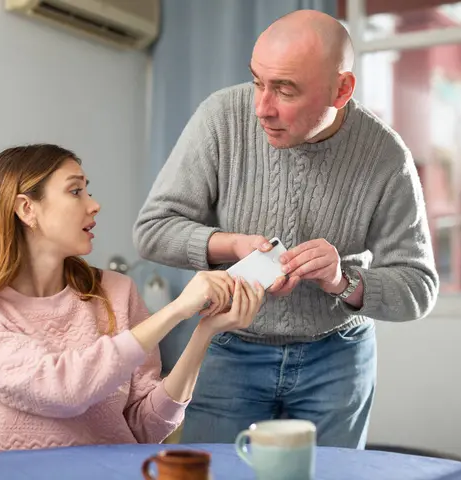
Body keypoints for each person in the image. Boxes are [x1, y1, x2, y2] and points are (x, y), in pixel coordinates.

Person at [133, 10, 439, 449]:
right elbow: (151, 230)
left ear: (342, 89)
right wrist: (230, 244)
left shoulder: (386, 157)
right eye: (258, 81)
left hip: (337, 358)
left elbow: (419, 288)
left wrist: (343, 280)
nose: (262, 107)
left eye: (285, 90)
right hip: (229, 345)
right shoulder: (221, 118)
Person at [0, 143, 264, 453]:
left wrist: (204, 332)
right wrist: (176, 310)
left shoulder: (117, 292)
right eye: (75, 192)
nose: (94, 205)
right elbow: (62, 390)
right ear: (26, 209)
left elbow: (146, 427)